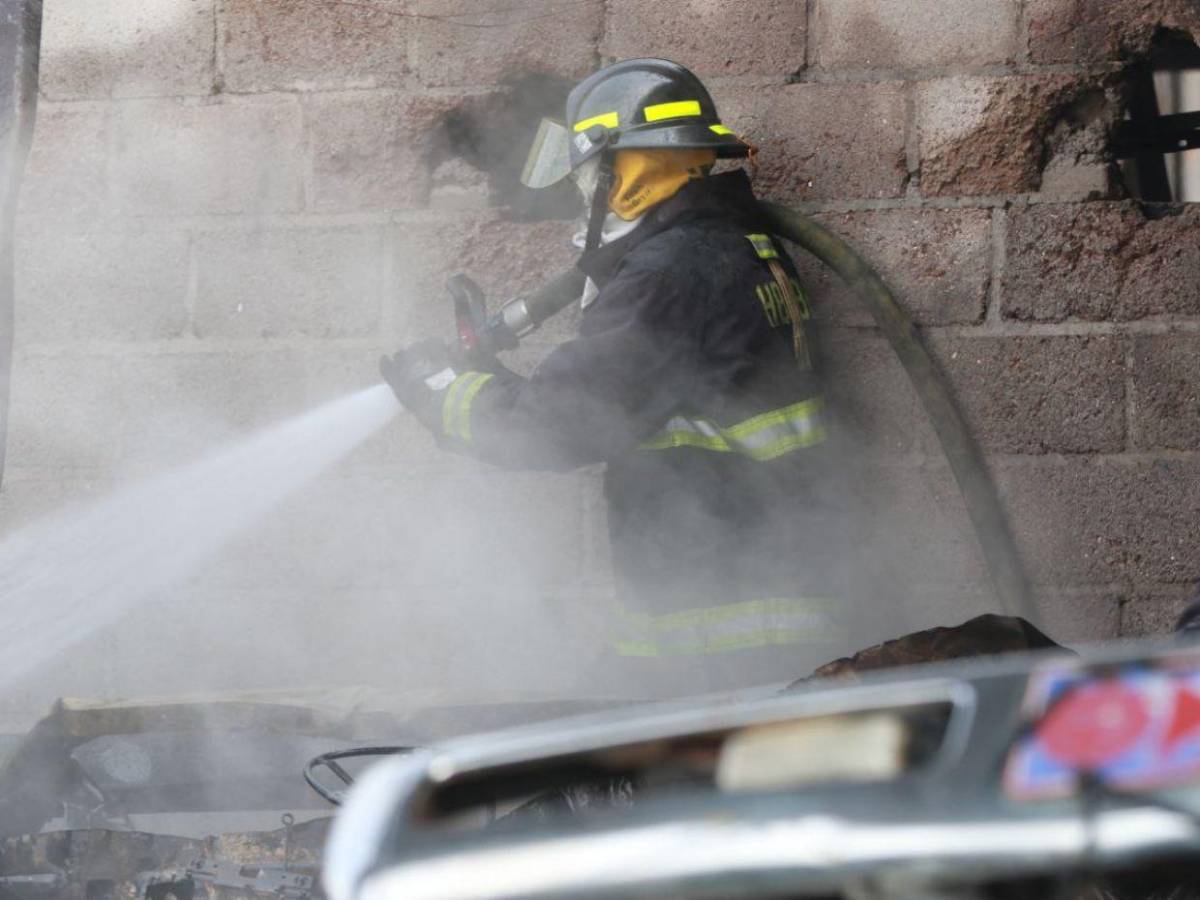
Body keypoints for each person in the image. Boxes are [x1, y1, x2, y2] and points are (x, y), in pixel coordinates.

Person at [381, 59, 846, 695]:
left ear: (620, 170)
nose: (581, 194)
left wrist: (448, 398)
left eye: (588, 174)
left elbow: (563, 422)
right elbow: (627, 389)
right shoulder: (734, 246)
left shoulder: (670, 273)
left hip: (718, 646)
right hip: (748, 622)